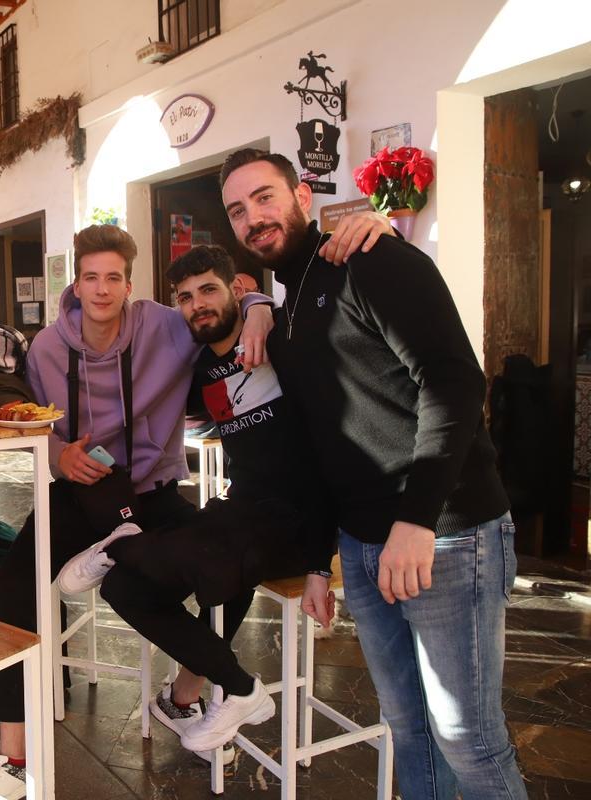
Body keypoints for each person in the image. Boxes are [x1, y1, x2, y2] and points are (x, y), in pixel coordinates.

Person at [220, 147, 527, 799]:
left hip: (445, 533)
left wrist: (416, 521)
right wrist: (315, 561)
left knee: (468, 741)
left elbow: (454, 383)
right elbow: (317, 444)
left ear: (303, 196)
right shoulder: (286, 307)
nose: (254, 218)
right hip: (362, 549)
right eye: (238, 211)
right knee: (408, 729)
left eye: (265, 197)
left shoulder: (373, 258)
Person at [57, 244, 337, 754]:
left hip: (299, 519)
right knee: (123, 590)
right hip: (242, 507)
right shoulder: (201, 365)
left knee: (205, 558)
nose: (196, 305)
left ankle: (118, 544)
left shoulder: (283, 343)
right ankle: (236, 688)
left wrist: (320, 562)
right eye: (185, 298)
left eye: (208, 290)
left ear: (237, 288)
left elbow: (327, 455)